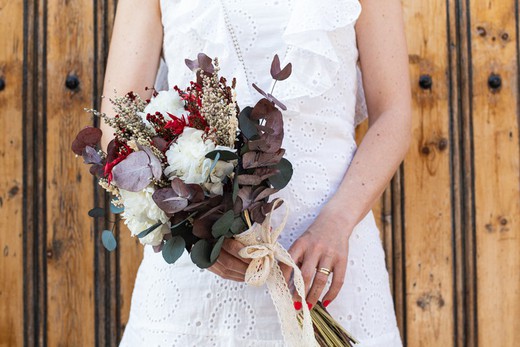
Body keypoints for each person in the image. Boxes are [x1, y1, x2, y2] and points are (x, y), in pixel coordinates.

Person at [101, 0, 411, 345]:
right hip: (198, 273)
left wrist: (338, 222)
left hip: (328, 263)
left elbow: (394, 115)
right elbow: (117, 130)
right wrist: (196, 233)